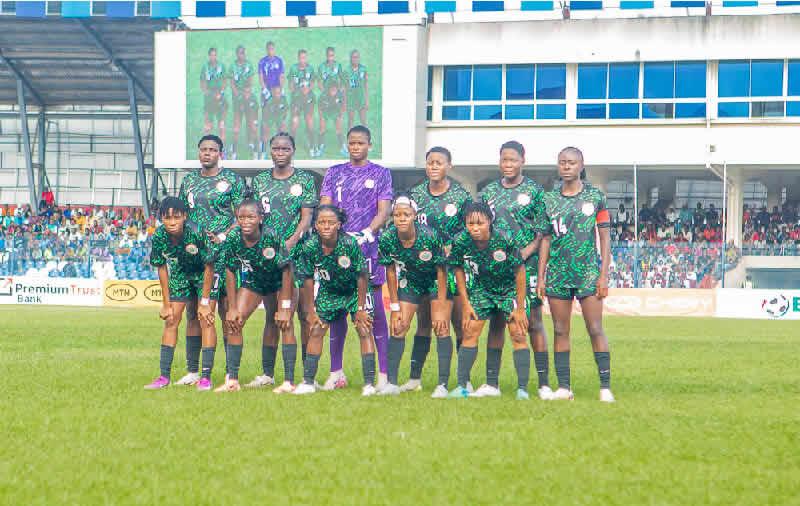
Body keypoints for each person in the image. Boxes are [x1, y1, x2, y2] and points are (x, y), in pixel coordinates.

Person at [536, 147, 615, 403]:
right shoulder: (548, 200)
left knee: (595, 328)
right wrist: (541, 276)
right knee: (560, 330)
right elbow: (545, 239)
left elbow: (605, 237)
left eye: (571, 162)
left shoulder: (596, 197)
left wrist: (603, 275)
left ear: (581, 165)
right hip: (558, 274)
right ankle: (564, 387)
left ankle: (605, 388)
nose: (566, 166)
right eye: (562, 162)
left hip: (587, 273)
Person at [319, 125, 392, 390]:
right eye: (352, 143)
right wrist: (334, 235)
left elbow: (384, 210)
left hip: (368, 249)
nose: (356, 147)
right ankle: (336, 372)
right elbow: (325, 207)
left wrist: (367, 232)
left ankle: (383, 375)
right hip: (337, 251)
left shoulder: (381, 173)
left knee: (375, 313)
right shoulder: (334, 172)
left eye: (360, 143)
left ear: (369, 145)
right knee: (336, 312)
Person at [479, 141, 551, 400]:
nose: (507, 164)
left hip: (526, 266)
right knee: (497, 323)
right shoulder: (488, 192)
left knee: (533, 323)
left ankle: (543, 384)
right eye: (504, 160)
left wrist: (526, 255)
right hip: (495, 268)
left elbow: (543, 233)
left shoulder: (535, 191)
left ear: (523, 161)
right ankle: (491, 384)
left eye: (513, 160)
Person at [248, 132, 317, 392]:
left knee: (304, 315)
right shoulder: (259, 181)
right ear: (270, 150)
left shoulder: (304, 180)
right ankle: (268, 373)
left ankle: (308, 376)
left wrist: (291, 241)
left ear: (293, 151)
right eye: (276, 148)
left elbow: (306, 217)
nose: (280, 152)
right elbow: (254, 217)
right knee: (272, 315)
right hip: (268, 258)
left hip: (298, 255)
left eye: (285, 148)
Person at [176, 135, 246, 386]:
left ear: (220, 154)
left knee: (227, 312)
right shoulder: (189, 181)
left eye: (212, 150)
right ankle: (193, 371)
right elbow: (181, 215)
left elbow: (243, 216)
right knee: (193, 313)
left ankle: (230, 373)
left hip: (225, 253)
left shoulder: (233, 181)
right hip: (195, 255)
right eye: (203, 149)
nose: (207, 153)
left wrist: (223, 236)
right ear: (198, 152)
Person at [446, 202, 530, 400]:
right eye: (470, 223)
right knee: (470, 331)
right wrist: (466, 304)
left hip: (508, 290)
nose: (475, 228)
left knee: (518, 334)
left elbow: (520, 271)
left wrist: (520, 308)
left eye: (480, 223)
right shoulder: (461, 241)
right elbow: (458, 269)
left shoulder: (505, 239)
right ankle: (462, 387)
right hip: (482, 289)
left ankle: (522, 390)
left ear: (490, 222)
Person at [405, 146, 471, 393]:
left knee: (457, 324)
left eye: (439, 163)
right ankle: (414, 379)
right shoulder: (415, 195)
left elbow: (470, 229)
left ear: (449, 166)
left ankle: (464, 380)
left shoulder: (461, 196)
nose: (433, 166)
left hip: (452, 269)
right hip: (422, 270)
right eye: (430, 162)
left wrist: (452, 247)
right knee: (424, 323)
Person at [293, 205, 376, 396]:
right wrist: (310, 311)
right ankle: (308, 382)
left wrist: (361, 308)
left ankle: (369, 385)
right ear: (315, 225)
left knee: (364, 329)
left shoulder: (349, 244)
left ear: (338, 224)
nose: (326, 226)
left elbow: (362, 275)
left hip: (355, 291)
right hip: (329, 292)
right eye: (321, 222)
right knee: (316, 329)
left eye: (330, 222)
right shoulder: (310, 246)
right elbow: (307, 278)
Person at [217, 199, 295, 392]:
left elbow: (287, 270)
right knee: (234, 322)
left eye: (250, 217)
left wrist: (285, 308)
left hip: (281, 282)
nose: (245, 221)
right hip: (255, 280)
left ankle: (288, 382)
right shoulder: (234, 238)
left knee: (283, 323)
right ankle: (232, 380)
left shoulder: (271, 236)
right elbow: (230, 270)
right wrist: (232, 308)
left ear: (260, 218)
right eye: (241, 217)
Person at [377, 194, 450, 397]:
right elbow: (390, 271)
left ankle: (442, 385)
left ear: (414, 216)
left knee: (441, 327)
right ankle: (392, 383)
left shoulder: (430, 236)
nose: (401, 218)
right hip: (411, 281)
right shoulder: (387, 238)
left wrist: (441, 305)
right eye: (397, 215)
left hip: (435, 280)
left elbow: (442, 271)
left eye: (406, 214)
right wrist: (394, 308)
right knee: (398, 326)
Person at [144, 197, 220, 390]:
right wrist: (166, 304)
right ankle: (164, 377)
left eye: (176, 217)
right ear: (161, 218)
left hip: (204, 273)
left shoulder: (196, 232)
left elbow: (209, 266)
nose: (172, 222)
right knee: (171, 320)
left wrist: (204, 303)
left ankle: (205, 378)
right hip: (181, 273)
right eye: (167, 218)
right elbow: (161, 267)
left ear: (185, 216)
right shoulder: (159, 236)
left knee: (206, 319)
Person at [228, 45, 258, 160]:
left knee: (252, 125)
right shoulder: (232, 66)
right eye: (240, 53)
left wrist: (246, 93)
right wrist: (238, 95)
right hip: (237, 99)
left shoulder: (248, 65)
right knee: (236, 128)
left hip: (248, 98)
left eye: (243, 53)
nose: (242, 55)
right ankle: (234, 149)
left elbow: (250, 82)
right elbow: (232, 84)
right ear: (237, 54)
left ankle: (253, 147)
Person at [316, 47, 347, 158]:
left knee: (338, 126)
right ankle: (320, 146)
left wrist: (339, 91)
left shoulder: (338, 66)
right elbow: (319, 82)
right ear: (326, 55)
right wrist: (325, 91)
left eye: (332, 55)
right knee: (322, 127)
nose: (331, 57)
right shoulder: (321, 67)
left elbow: (343, 81)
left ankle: (342, 147)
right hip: (326, 98)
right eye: (329, 55)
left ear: (334, 55)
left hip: (335, 98)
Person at [258, 41, 285, 156]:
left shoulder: (279, 61)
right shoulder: (262, 62)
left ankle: (280, 146)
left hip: (277, 92)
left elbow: (281, 76)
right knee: (265, 120)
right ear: (266, 49)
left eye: (272, 49)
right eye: (269, 49)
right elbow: (261, 77)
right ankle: (263, 146)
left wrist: (281, 89)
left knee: (280, 119)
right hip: (267, 93)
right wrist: (265, 90)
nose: (270, 51)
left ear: (274, 49)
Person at [287, 49, 317, 157]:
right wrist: (299, 90)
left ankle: (312, 146)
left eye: (304, 57)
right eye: (301, 58)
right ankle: (291, 146)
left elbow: (313, 83)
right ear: (298, 58)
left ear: (306, 58)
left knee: (309, 122)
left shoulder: (310, 68)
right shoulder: (293, 69)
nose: (302, 60)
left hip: (308, 99)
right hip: (297, 99)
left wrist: (307, 89)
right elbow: (290, 86)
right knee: (294, 122)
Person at [200, 48, 226, 142]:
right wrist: (208, 93)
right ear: (209, 56)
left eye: (215, 55)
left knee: (221, 123)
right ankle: (206, 145)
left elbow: (224, 81)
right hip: (209, 97)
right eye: (211, 55)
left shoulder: (221, 66)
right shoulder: (205, 67)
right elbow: (202, 83)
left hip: (219, 96)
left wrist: (221, 93)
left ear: (216, 55)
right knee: (208, 124)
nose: (213, 57)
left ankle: (222, 146)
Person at [345, 50, 368, 131]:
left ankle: (366, 137)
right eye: (353, 57)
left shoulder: (363, 69)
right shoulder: (347, 71)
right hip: (351, 99)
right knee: (350, 121)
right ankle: (349, 137)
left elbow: (366, 85)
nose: (355, 59)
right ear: (350, 58)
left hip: (361, 98)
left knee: (363, 120)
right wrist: (345, 102)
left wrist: (367, 100)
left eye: (357, 57)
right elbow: (345, 88)